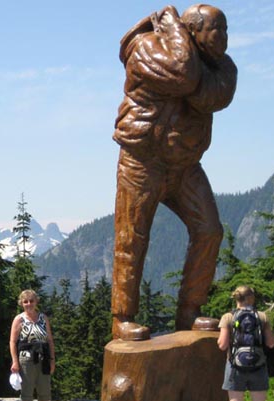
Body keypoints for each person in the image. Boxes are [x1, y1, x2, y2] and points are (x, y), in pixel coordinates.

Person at [111, 4, 237, 340]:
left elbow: (213, 95)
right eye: (217, 29)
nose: (225, 38)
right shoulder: (144, 47)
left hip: (184, 165)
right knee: (132, 237)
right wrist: (172, 24)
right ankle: (122, 318)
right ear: (192, 29)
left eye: (226, 29)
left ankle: (189, 311)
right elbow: (183, 74)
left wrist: (192, 76)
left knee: (209, 230)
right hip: (142, 160)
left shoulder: (222, 67)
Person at [218, 285, 274, 401]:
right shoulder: (262, 316)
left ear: (236, 298)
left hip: (235, 368)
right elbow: (271, 343)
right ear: (252, 298)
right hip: (258, 367)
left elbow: (222, 344)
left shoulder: (228, 317)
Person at [9, 289, 58, 401]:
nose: (28, 304)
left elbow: (49, 340)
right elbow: (12, 342)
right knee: (27, 389)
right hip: (26, 359)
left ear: (36, 302)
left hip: (43, 357)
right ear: (21, 303)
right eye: (25, 301)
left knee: (44, 389)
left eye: (31, 301)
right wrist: (15, 361)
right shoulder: (19, 319)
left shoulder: (43, 318)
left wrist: (52, 360)